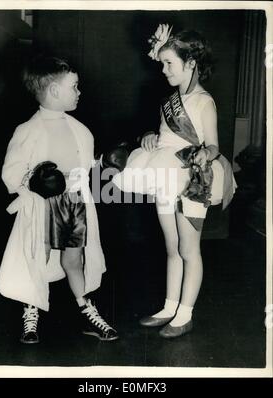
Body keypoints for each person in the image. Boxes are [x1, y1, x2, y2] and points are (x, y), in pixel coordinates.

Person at [113, 24, 236, 338]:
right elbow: (164, 136)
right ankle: (169, 307)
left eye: (169, 63)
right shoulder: (168, 100)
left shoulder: (203, 102)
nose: (164, 69)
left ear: (191, 64)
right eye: (163, 63)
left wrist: (205, 155)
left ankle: (185, 314)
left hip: (192, 178)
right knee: (171, 246)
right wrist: (149, 136)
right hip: (163, 174)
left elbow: (213, 145)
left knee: (188, 248)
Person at [0, 55, 118, 343]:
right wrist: (34, 180)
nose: (79, 92)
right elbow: (11, 173)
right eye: (74, 86)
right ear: (54, 91)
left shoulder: (79, 129)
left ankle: (86, 310)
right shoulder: (27, 130)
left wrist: (106, 163)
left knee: (74, 260)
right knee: (38, 257)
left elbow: (85, 166)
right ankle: (31, 312)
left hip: (74, 202)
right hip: (42, 205)